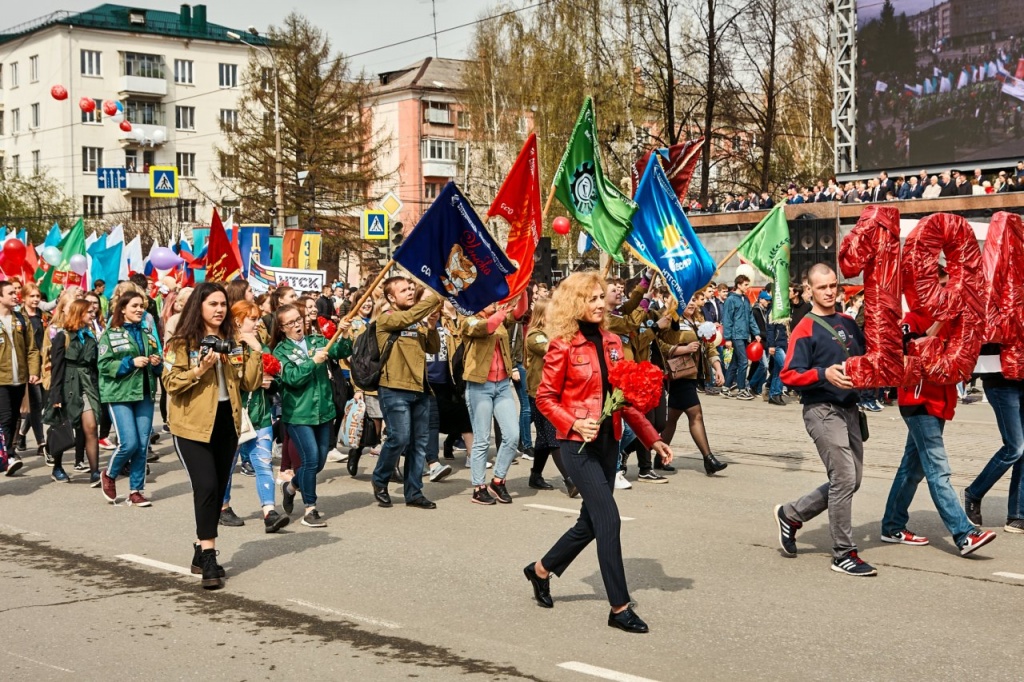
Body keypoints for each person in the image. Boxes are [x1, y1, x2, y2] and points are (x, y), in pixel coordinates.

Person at [526, 272, 674, 633]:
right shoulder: (562, 345)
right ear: (574, 302)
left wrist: (652, 438)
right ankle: (619, 607)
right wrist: (575, 422)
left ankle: (540, 570)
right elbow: (545, 398)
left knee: (589, 523)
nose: (599, 303)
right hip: (577, 446)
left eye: (600, 297)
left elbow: (624, 398)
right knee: (608, 519)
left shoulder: (612, 342)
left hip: (610, 442)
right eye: (590, 298)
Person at [775, 264, 875, 576]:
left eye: (833, 285)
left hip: (850, 410)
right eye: (822, 287)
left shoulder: (848, 321)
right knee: (844, 478)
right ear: (809, 290)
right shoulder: (805, 327)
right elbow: (788, 374)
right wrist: (823, 374)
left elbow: (867, 357)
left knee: (852, 480)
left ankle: (792, 514)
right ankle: (843, 553)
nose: (829, 292)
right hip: (822, 410)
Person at [164, 282, 263, 589]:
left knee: (217, 489)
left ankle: (200, 547)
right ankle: (209, 556)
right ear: (199, 306)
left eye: (223, 304)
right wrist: (199, 369)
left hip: (226, 423)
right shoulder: (182, 342)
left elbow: (249, 384)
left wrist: (254, 350)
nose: (219, 309)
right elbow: (170, 382)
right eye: (213, 304)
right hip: (191, 426)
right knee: (206, 486)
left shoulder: (233, 341)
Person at [880, 296, 997, 556]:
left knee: (912, 470)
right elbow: (910, 351)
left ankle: (892, 525)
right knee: (938, 470)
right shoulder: (912, 319)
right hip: (918, 401)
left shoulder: (955, 320)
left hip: (939, 403)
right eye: (940, 284)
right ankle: (964, 534)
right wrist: (939, 322)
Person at [272, 303, 347, 527]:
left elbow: (342, 351)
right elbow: (292, 378)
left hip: (323, 411)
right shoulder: (280, 352)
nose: (297, 325)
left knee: (319, 463)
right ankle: (310, 509)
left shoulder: (317, 341)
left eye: (299, 319)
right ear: (282, 328)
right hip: (298, 414)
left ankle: (291, 487)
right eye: (291, 322)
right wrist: (312, 362)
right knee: (310, 459)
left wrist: (343, 333)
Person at [369, 278, 441, 509]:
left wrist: (432, 327)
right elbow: (408, 317)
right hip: (394, 388)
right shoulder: (387, 317)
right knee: (399, 438)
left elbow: (432, 347)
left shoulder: (416, 320)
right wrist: (436, 296)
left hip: (419, 388)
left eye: (411, 288)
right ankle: (380, 479)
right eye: (404, 290)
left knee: (419, 444)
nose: (410, 292)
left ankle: (414, 492)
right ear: (391, 297)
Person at [97, 291, 163, 501]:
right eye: (134, 306)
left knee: (142, 445)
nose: (139, 309)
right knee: (129, 443)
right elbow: (103, 365)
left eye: (142, 306)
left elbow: (159, 367)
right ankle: (109, 474)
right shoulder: (110, 334)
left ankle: (136, 491)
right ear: (123, 309)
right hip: (120, 394)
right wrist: (130, 362)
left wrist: (156, 363)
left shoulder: (148, 334)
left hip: (144, 393)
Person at [461, 294, 525, 505]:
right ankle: (478, 487)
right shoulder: (469, 320)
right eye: (489, 299)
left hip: (502, 385)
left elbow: (520, 311)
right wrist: (502, 312)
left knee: (512, 435)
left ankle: (498, 481)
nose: (495, 302)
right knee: (482, 440)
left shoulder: (501, 319)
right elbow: (486, 327)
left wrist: (523, 289)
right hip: (479, 385)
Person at [657, 292, 727, 476]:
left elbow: (710, 347)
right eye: (688, 300)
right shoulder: (671, 320)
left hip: (693, 374)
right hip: (679, 374)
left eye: (694, 300)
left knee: (671, 419)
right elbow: (659, 344)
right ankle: (708, 459)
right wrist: (682, 349)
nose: (692, 303)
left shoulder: (699, 321)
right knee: (696, 415)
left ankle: (659, 456)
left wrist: (718, 369)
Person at [963, 341, 1024, 533]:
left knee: (1023, 450)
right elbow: (982, 339)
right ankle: (974, 493)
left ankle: (1017, 514)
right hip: (1000, 381)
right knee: (1015, 448)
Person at [45, 300, 101, 485]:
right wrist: (55, 395)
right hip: (67, 387)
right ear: (79, 313)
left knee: (91, 427)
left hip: (86, 386)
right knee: (62, 428)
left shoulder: (91, 336)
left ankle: (95, 472)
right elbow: (56, 368)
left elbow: (95, 366)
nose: (93, 314)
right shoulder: (63, 337)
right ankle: (57, 467)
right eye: (89, 312)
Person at [525, 298, 572, 494]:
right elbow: (550, 350)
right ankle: (570, 480)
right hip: (540, 393)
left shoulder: (556, 334)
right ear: (543, 316)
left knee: (544, 439)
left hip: (556, 392)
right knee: (553, 436)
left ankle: (535, 475)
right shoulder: (534, 336)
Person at [0, 280, 41, 476]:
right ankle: (8, 455)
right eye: (10, 293)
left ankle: (8, 453)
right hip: (1, 379)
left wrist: (33, 371)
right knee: (6, 417)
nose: (15, 295)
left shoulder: (21, 319)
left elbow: (32, 348)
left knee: (14, 417)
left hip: (19, 378)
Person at [16, 283, 46, 461]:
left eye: (37, 296)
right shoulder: (19, 317)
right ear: (24, 298)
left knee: (40, 405)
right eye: (32, 296)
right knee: (36, 403)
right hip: (28, 366)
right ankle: (42, 442)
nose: (35, 299)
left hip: (44, 365)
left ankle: (21, 435)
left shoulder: (44, 316)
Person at [722, 275, 759, 399]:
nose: (748, 287)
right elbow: (727, 319)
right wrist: (727, 338)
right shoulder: (731, 300)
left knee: (735, 363)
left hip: (744, 335)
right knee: (743, 361)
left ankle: (725, 388)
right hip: (736, 335)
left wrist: (756, 332)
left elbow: (750, 317)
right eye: (745, 285)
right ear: (738, 285)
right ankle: (741, 390)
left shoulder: (746, 299)